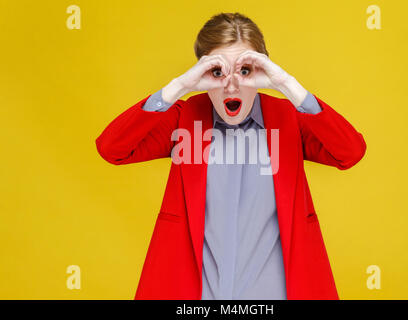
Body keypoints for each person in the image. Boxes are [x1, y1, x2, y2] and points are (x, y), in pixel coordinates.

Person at [95, 12, 367, 300]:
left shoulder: (289, 120)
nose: (231, 85)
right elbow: (113, 149)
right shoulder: (184, 120)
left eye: (246, 71)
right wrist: (178, 87)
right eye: (217, 72)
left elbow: (349, 152)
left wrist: (287, 85)